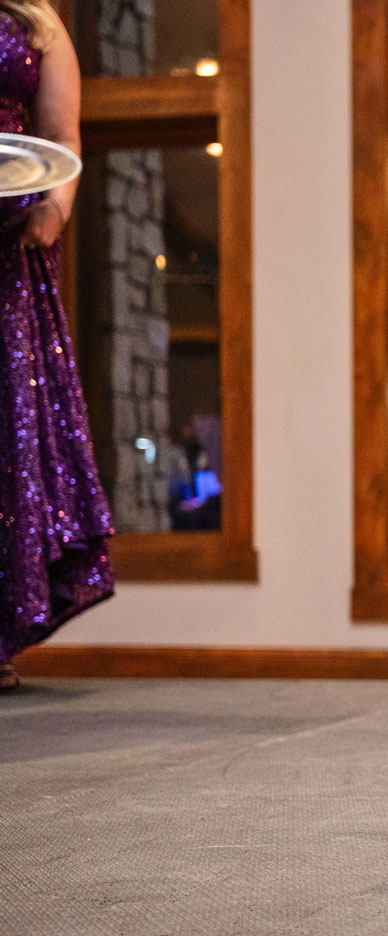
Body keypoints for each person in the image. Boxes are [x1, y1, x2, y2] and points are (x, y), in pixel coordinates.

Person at [0, 1, 111, 692]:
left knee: (6, 440)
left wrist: (53, 211)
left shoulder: (37, 23)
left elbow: (61, 141)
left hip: (8, 252)